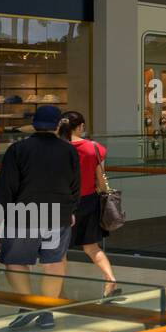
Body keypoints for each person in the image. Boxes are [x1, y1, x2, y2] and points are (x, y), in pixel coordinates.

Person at [0, 105, 80, 330]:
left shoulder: (18, 149)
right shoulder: (68, 150)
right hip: (58, 214)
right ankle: (47, 310)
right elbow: (75, 185)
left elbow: (6, 186)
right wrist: (71, 211)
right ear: (58, 124)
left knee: (15, 261)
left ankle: (27, 305)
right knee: (54, 262)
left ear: (34, 124)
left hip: (24, 215)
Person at [57, 111, 123, 298]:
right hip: (89, 201)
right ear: (81, 127)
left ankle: (60, 292)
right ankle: (110, 279)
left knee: (60, 251)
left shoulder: (58, 147)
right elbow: (101, 180)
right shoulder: (93, 148)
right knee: (91, 247)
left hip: (63, 204)